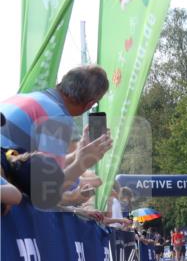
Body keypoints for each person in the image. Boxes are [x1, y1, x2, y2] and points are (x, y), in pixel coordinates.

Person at [0, 65, 114, 207]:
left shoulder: (22, 98)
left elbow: (33, 166)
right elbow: (46, 193)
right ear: (89, 104)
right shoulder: (57, 117)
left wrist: (76, 155)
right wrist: (82, 162)